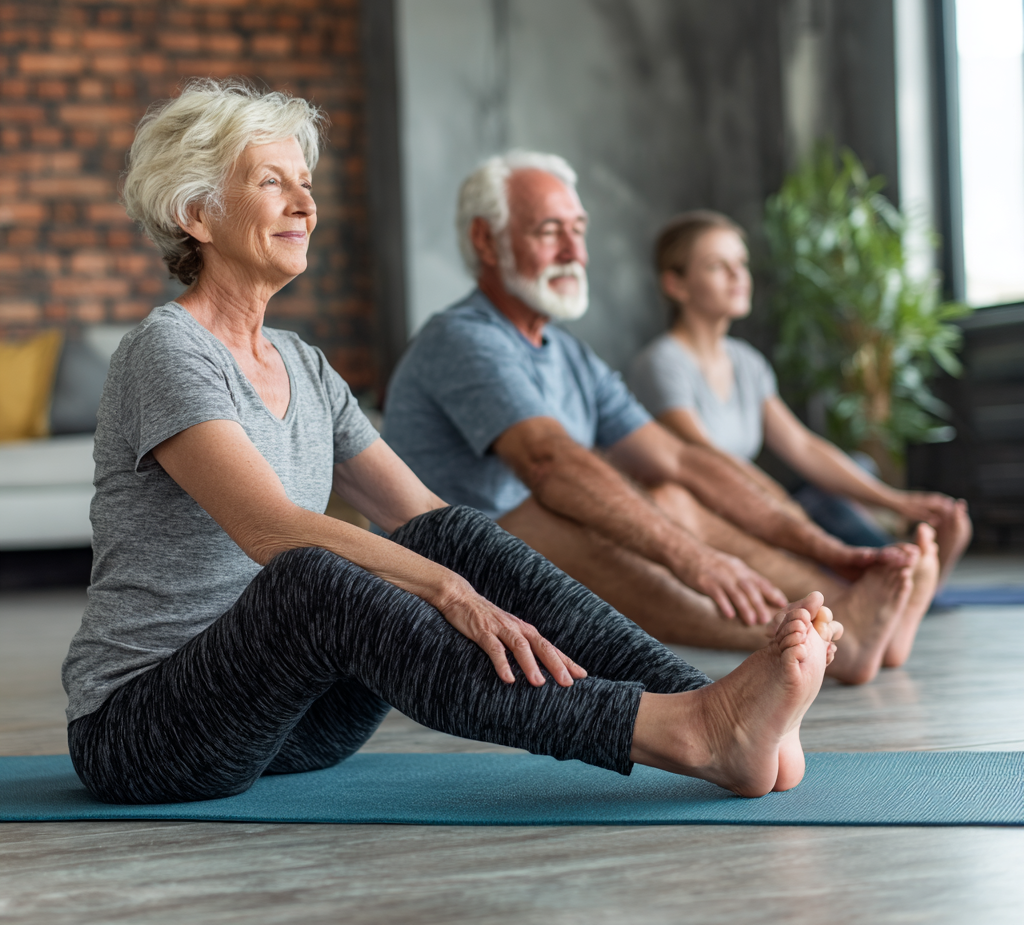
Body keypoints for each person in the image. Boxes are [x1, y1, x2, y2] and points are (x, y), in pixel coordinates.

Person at [60, 80, 842, 807]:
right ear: (195, 213)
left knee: (454, 529)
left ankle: (710, 706)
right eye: (273, 182)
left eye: (306, 183)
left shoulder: (302, 362)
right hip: (153, 732)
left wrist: (455, 568)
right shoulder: (166, 351)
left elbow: (425, 516)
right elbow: (271, 530)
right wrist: (446, 591)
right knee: (315, 575)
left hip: (292, 722)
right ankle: (676, 733)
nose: (305, 203)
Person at [382, 151, 938, 685]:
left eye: (579, 229)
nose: (575, 250)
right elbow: (550, 462)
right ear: (486, 239)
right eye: (550, 232)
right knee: (548, 509)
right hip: (446, 575)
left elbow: (682, 460)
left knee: (670, 493)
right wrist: (693, 559)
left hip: (519, 556)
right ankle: (814, 639)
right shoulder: (462, 337)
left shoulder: (568, 353)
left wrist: (827, 548)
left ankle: (843, 622)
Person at [626, 210, 972, 578]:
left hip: (754, 504)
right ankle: (904, 571)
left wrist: (897, 501)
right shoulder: (661, 363)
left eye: (740, 263)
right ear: (676, 285)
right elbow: (702, 454)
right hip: (706, 519)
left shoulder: (747, 362)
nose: (738, 276)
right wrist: (783, 510)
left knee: (854, 469)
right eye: (717, 266)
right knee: (819, 510)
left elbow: (801, 446)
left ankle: (905, 570)